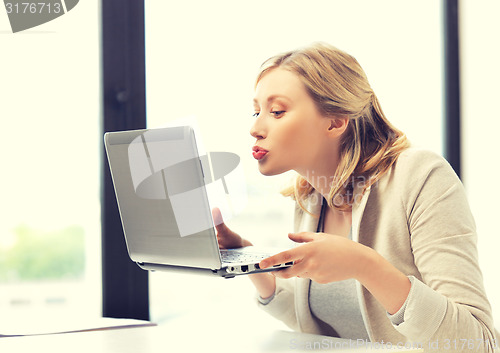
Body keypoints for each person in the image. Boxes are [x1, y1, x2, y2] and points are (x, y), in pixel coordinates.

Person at [213, 42, 498, 352]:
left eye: (276, 111)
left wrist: (364, 265)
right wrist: (249, 260)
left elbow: (478, 343)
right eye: (256, 111)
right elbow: (330, 326)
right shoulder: (311, 195)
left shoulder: (420, 175)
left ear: (335, 121)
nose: (255, 127)